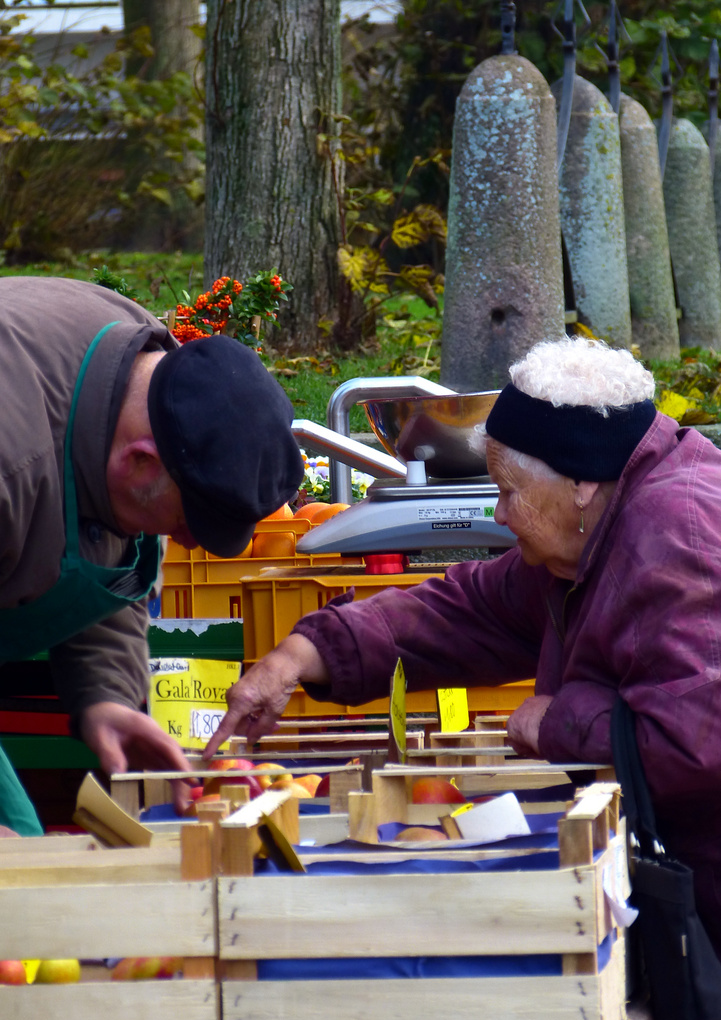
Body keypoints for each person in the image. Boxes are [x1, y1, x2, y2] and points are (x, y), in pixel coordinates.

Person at [205, 334, 721, 956]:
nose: (498, 515)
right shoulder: (594, 527)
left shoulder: (679, 539)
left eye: (507, 491)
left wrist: (557, 720)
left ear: (580, 483)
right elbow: (471, 608)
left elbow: (694, 739)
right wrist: (304, 653)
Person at [0, 276, 304, 834]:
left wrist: (105, 698)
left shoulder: (149, 381)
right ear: (138, 463)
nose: (187, 543)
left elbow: (104, 550)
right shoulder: (11, 459)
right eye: (188, 523)